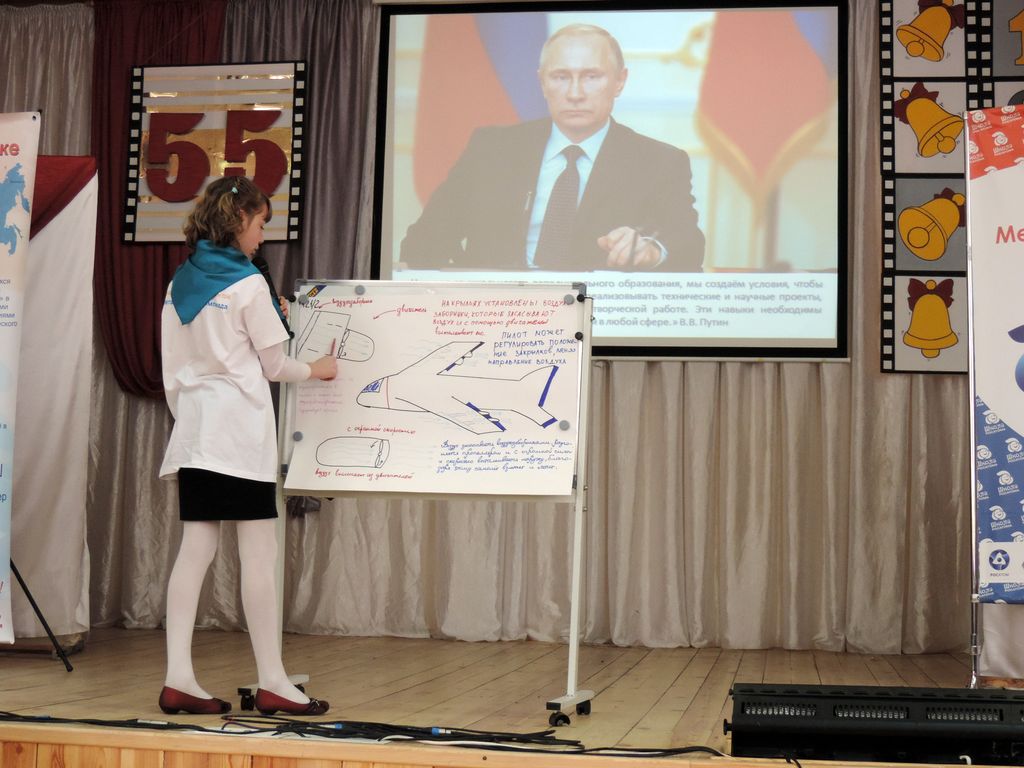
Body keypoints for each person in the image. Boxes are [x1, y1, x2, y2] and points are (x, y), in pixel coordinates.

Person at [157, 176, 337, 716]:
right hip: (237, 436)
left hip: (194, 435)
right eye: (260, 224)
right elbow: (276, 366)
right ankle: (273, 681)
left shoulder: (179, 283)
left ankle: (178, 679)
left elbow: (171, 369)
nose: (263, 236)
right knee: (259, 556)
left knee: (194, 551)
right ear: (239, 222)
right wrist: (319, 369)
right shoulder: (249, 283)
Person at [400, 23, 704, 273]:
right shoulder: (491, 149)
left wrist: (652, 251)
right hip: (498, 314)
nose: (575, 93)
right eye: (561, 77)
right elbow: (423, 241)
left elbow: (689, 245)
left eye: (591, 77)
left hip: (597, 313)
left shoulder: (659, 162)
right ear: (542, 83)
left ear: (619, 81)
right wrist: (467, 282)